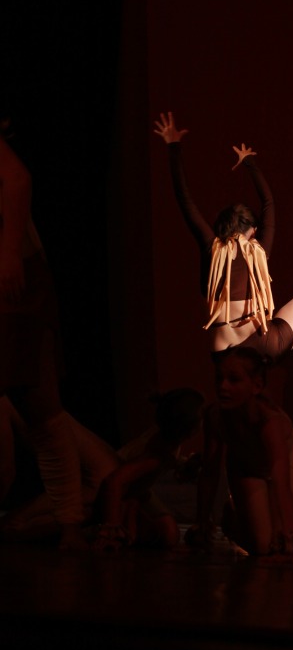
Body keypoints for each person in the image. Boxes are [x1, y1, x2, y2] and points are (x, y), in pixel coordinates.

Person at [153, 112, 293, 364]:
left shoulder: (212, 250)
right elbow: (268, 202)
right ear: (253, 230)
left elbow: (185, 201)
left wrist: (173, 146)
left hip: (225, 354)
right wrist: (249, 163)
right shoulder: (256, 251)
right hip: (265, 343)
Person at [0, 106, 90, 549]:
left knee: (39, 403)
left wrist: (8, 253)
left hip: (14, 278)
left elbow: (17, 180)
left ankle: (70, 520)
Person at [185, 346, 293, 556]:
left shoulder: (269, 421)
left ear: (256, 386)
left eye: (233, 380)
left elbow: (280, 480)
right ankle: (234, 518)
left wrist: (290, 533)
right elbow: (210, 470)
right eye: (219, 379)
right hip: (243, 461)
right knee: (262, 546)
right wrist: (201, 521)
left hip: (281, 462)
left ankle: (244, 516)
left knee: (278, 541)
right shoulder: (215, 416)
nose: (223, 386)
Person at [94, 387, 205, 551]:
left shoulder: (168, 438)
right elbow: (114, 481)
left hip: (139, 490)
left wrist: (182, 464)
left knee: (170, 533)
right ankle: (127, 517)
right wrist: (111, 527)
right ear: (191, 428)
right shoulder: (155, 454)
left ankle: (132, 514)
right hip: (125, 492)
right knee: (166, 534)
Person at [0, 394, 118, 543]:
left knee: (11, 525)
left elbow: (5, 471)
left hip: (99, 479)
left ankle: (97, 521)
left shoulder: (4, 401)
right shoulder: (16, 397)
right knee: (13, 523)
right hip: (100, 472)